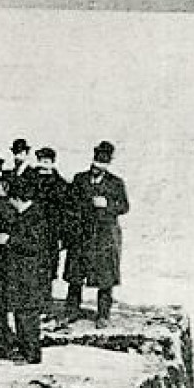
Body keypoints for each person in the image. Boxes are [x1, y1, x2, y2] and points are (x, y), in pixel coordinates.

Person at [0, 174, 59, 362]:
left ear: (18, 199)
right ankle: (25, 350)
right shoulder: (26, 214)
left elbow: (35, 246)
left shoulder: (36, 217)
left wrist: (9, 240)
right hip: (22, 275)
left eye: (11, 199)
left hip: (31, 276)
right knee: (21, 313)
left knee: (28, 315)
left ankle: (32, 355)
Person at [62, 140, 130, 326]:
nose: (96, 166)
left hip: (104, 237)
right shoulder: (79, 179)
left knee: (105, 277)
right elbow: (69, 204)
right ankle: (72, 310)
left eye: (101, 163)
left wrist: (107, 204)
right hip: (81, 235)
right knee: (75, 275)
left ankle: (103, 315)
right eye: (95, 162)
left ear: (107, 164)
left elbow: (124, 207)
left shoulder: (116, 183)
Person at [27, 146, 71, 307]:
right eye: (41, 161)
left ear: (52, 163)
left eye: (46, 161)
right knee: (31, 268)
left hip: (51, 234)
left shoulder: (61, 185)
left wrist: (63, 238)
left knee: (48, 269)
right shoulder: (30, 180)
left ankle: (45, 304)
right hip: (31, 232)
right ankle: (33, 303)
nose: (43, 165)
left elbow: (66, 214)